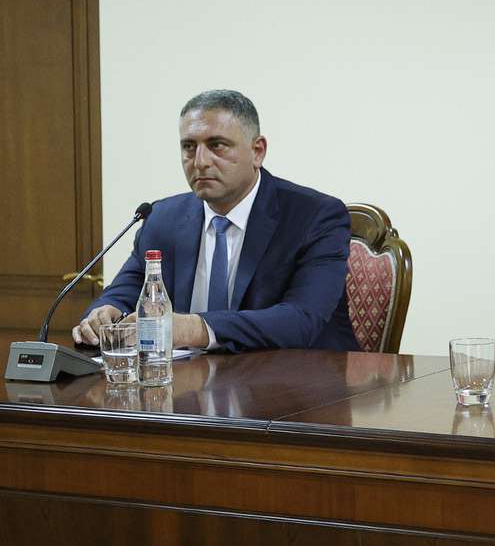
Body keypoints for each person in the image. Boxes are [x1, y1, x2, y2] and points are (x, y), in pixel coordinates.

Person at [72, 90, 359, 352]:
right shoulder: (162, 217)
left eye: (217, 145)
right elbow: (125, 291)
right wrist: (105, 313)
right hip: (192, 382)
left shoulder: (314, 216)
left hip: (300, 381)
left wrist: (194, 328)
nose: (200, 162)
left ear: (257, 151)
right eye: (188, 147)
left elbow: (301, 319)